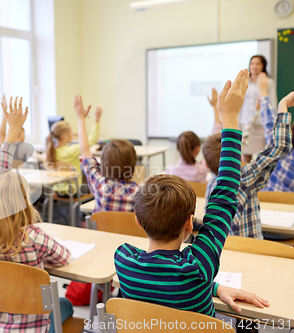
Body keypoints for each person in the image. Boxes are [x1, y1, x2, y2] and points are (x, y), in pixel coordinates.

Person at [114, 69, 269, 318]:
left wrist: (215, 288)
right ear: (189, 223)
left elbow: (162, 286)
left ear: (138, 220)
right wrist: (230, 117)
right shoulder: (198, 270)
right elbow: (224, 199)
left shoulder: (124, 260)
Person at [0, 97, 73, 333]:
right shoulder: (33, 237)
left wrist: (12, 129)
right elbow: (64, 258)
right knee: (64, 304)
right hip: (29, 328)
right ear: (23, 202)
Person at [204, 73, 292, 239]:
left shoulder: (210, 186)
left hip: (226, 255)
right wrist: (283, 105)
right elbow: (279, 146)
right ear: (237, 156)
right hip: (253, 249)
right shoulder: (245, 178)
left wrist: (218, 112)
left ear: (207, 166)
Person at [76, 95, 138, 213]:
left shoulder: (99, 185)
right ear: (133, 163)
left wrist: (80, 118)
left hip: (101, 232)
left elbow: (85, 151)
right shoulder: (141, 193)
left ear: (103, 164)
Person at [45, 96, 102, 195]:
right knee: (94, 186)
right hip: (73, 190)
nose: (72, 134)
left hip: (57, 190)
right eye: (70, 132)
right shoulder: (71, 151)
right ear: (64, 136)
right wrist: (96, 119)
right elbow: (91, 141)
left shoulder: (50, 151)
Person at [239, 55, 277, 163]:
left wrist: (272, 121)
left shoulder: (268, 82)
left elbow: (272, 101)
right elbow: (241, 102)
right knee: (245, 152)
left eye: (257, 63)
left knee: (262, 154)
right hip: (245, 121)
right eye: (252, 63)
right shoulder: (245, 81)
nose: (254, 66)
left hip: (261, 123)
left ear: (263, 66)